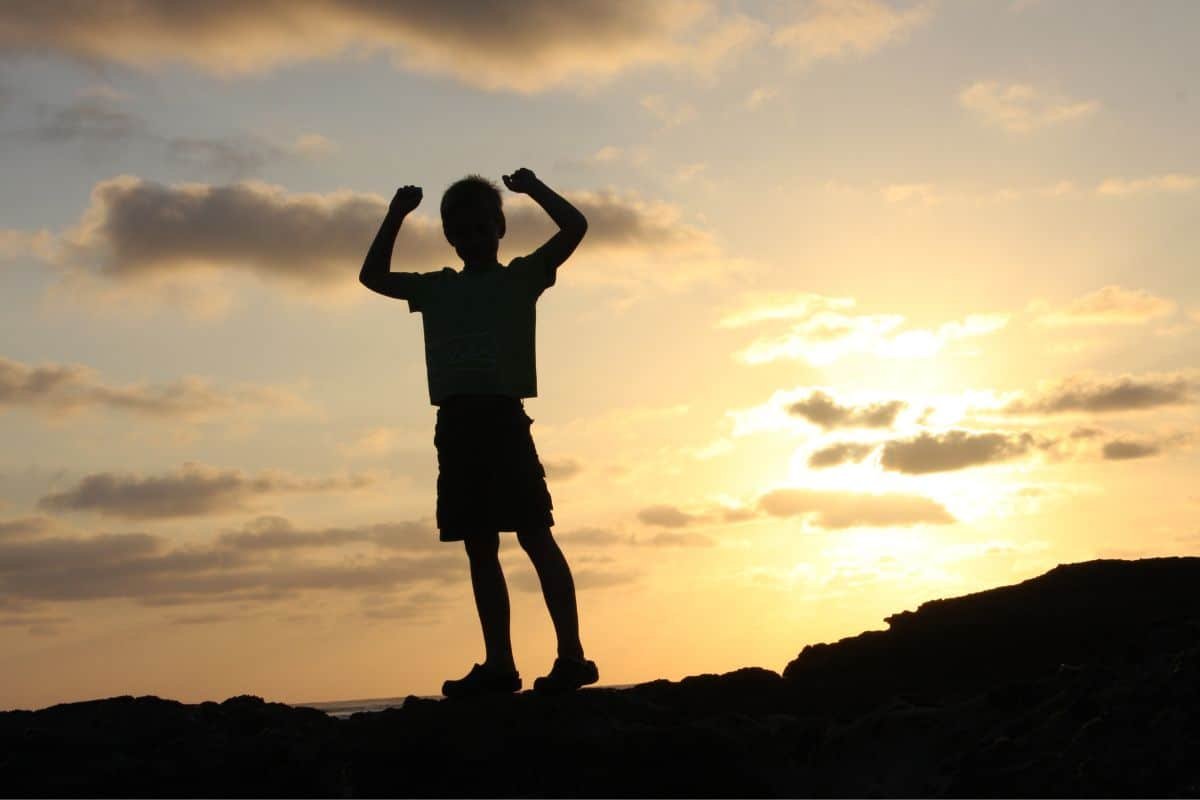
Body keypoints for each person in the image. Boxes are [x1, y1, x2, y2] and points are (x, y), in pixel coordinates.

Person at [359, 167, 597, 697]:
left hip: (504, 420)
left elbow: (575, 226)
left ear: (500, 228)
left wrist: (534, 188)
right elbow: (372, 277)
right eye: (462, 232)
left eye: (482, 228)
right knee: (479, 546)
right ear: (449, 237)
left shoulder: (520, 277)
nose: (472, 239)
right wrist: (395, 216)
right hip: (458, 426)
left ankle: (572, 656)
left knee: (535, 535)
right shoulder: (437, 288)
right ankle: (500, 666)